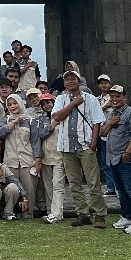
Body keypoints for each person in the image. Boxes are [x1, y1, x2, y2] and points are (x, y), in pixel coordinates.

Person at [51, 70, 107, 228]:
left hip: (85, 144)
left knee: (93, 182)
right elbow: (57, 117)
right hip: (67, 146)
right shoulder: (61, 99)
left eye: (73, 79)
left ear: (79, 81)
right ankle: (82, 213)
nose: (70, 81)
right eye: (67, 79)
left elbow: (97, 122)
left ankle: (100, 214)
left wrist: (93, 144)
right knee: (74, 183)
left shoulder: (91, 99)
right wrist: (74, 103)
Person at [101, 85, 131, 234]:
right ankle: (127, 216)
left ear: (124, 97)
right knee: (120, 190)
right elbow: (103, 132)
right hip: (112, 157)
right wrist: (110, 123)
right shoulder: (110, 114)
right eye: (112, 96)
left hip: (126, 157)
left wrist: (128, 153)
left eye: (117, 96)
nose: (114, 99)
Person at [0, 94, 43, 219]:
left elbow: (35, 141)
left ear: (20, 103)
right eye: (9, 105)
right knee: (13, 190)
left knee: (29, 191)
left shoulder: (30, 120)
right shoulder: (5, 120)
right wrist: (14, 122)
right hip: (10, 161)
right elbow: (0, 133)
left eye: (15, 103)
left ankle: (28, 215)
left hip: (27, 161)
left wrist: (38, 159)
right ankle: (11, 214)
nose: (12, 107)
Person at [37, 93, 65, 224]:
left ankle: (57, 213)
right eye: (44, 104)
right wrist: (52, 123)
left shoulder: (63, 117)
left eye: (48, 102)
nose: (47, 105)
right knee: (48, 187)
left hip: (60, 157)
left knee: (58, 185)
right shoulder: (41, 120)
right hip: (46, 156)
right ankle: (50, 212)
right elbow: (41, 134)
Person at [95, 74, 118, 196]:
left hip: (114, 133)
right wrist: (105, 106)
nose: (104, 85)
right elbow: (94, 113)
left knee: (116, 161)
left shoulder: (114, 97)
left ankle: (118, 186)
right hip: (101, 133)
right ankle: (111, 187)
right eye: (101, 83)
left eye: (106, 83)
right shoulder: (96, 99)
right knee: (105, 161)